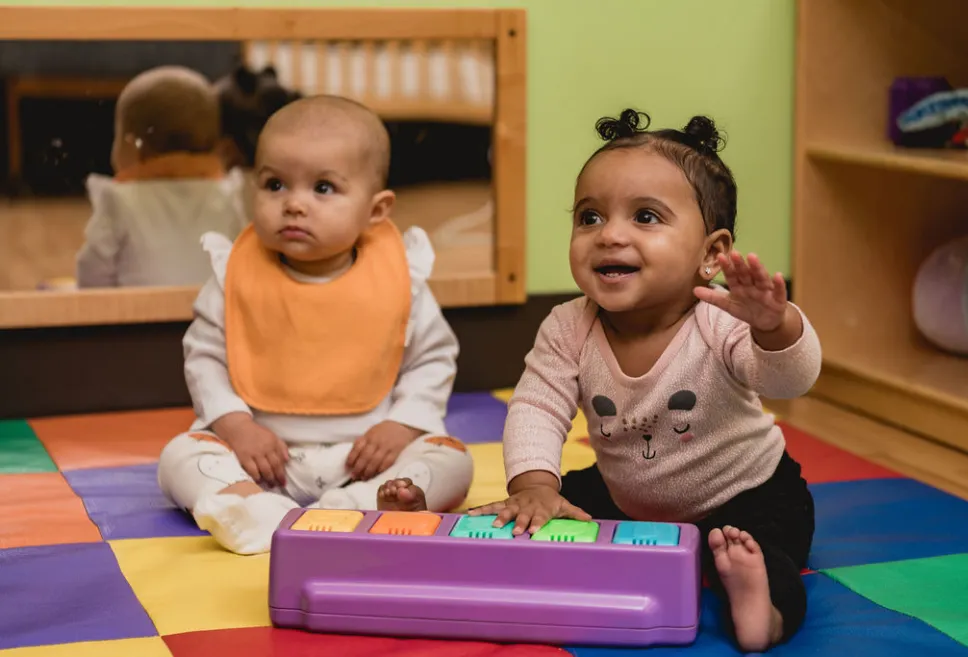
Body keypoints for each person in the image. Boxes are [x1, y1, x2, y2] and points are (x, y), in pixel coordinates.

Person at [424, 108, 819, 652]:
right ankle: (467, 546)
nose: (609, 235)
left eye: (646, 217)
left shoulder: (721, 320)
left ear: (711, 254)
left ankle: (764, 610)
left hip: (745, 494)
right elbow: (537, 407)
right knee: (538, 508)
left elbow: (788, 382)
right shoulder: (568, 326)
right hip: (626, 494)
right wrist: (535, 486)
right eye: (589, 217)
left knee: (764, 547)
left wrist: (775, 328)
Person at [156, 95, 474, 555]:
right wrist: (238, 428)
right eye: (275, 185)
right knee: (179, 456)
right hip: (261, 459)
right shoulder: (235, 275)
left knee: (452, 458)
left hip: (363, 457)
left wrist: (402, 427)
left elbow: (433, 357)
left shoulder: (401, 277)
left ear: (376, 210)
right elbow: (205, 356)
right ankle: (252, 508)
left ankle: (361, 505)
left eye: (322, 188)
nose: (294, 205)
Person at [76, 66, 248, 287]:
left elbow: (92, 273)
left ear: (130, 147)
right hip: (214, 318)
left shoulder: (118, 200)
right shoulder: (229, 196)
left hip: (141, 318)